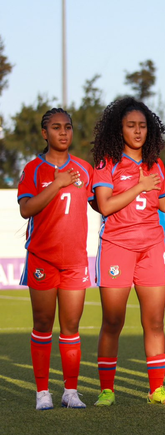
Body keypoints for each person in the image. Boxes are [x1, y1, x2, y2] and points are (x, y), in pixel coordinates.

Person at [91, 97, 165, 406]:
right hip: (117, 246)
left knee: (154, 322)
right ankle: (107, 390)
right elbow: (105, 205)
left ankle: (157, 390)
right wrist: (139, 186)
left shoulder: (155, 163)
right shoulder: (106, 162)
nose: (138, 131)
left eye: (142, 126)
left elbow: (164, 203)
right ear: (120, 129)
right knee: (113, 321)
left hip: (152, 246)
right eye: (131, 126)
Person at [18, 107, 94, 410]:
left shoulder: (84, 169)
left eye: (68, 127)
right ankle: (42, 393)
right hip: (42, 258)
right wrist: (58, 184)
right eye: (56, 127)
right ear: (44, 133)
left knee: (71, 326)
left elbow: (101, 202)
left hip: (75, 260)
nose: (63, 132)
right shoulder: (33, 169)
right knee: (43, 323)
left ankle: (70, 392)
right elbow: (27, 209)